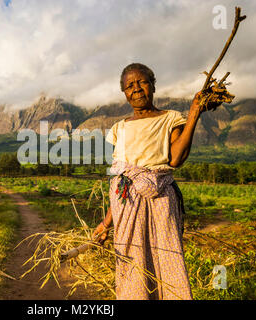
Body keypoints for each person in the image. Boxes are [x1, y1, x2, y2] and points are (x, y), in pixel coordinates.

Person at [92, 63, 221, 300]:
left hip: (161, 200)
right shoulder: (119, 128)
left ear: (153, 85)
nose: (137, 89)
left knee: (168, 257)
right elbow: (121, 184)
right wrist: (106, 223)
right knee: (132, 264)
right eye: (130, 85)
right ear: (124, 93)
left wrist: (194, 112)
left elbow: (175, 159)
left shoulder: (171, 118)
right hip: (127, 207)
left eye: (142, 82)